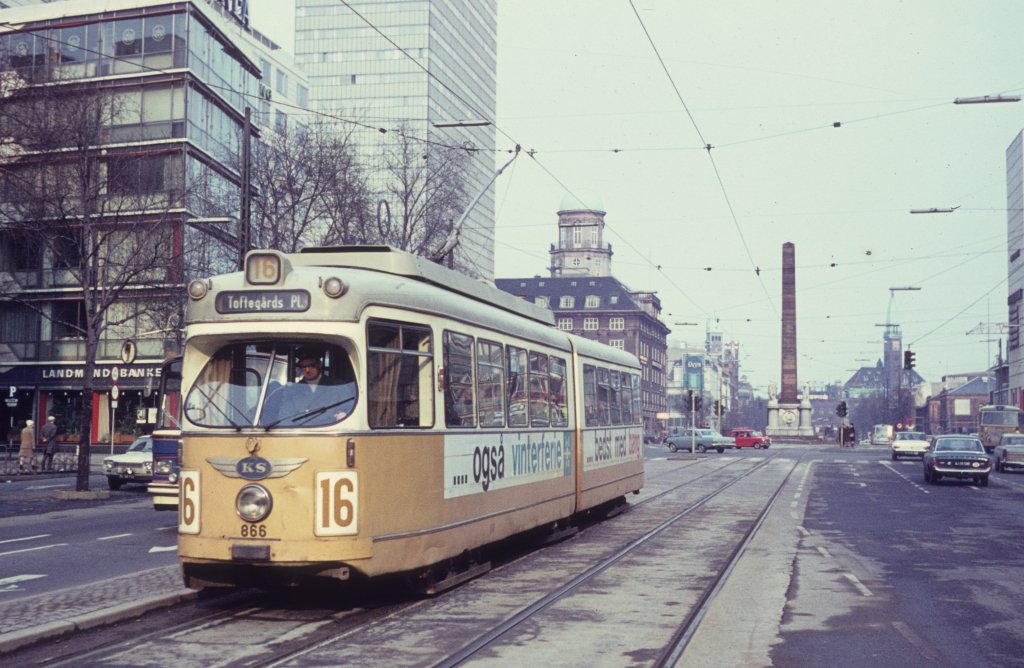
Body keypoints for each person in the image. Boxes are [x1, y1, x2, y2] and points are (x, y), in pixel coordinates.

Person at [271, 352, 356, 427]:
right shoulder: (292, 390)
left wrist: (342, 416)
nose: (307, 370)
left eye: (311, 366)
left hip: (329, 434)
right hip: (300, 435)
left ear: (319, 365)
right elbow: (284, 418)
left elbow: (350, 410)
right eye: (303, 367)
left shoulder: (337, 386)